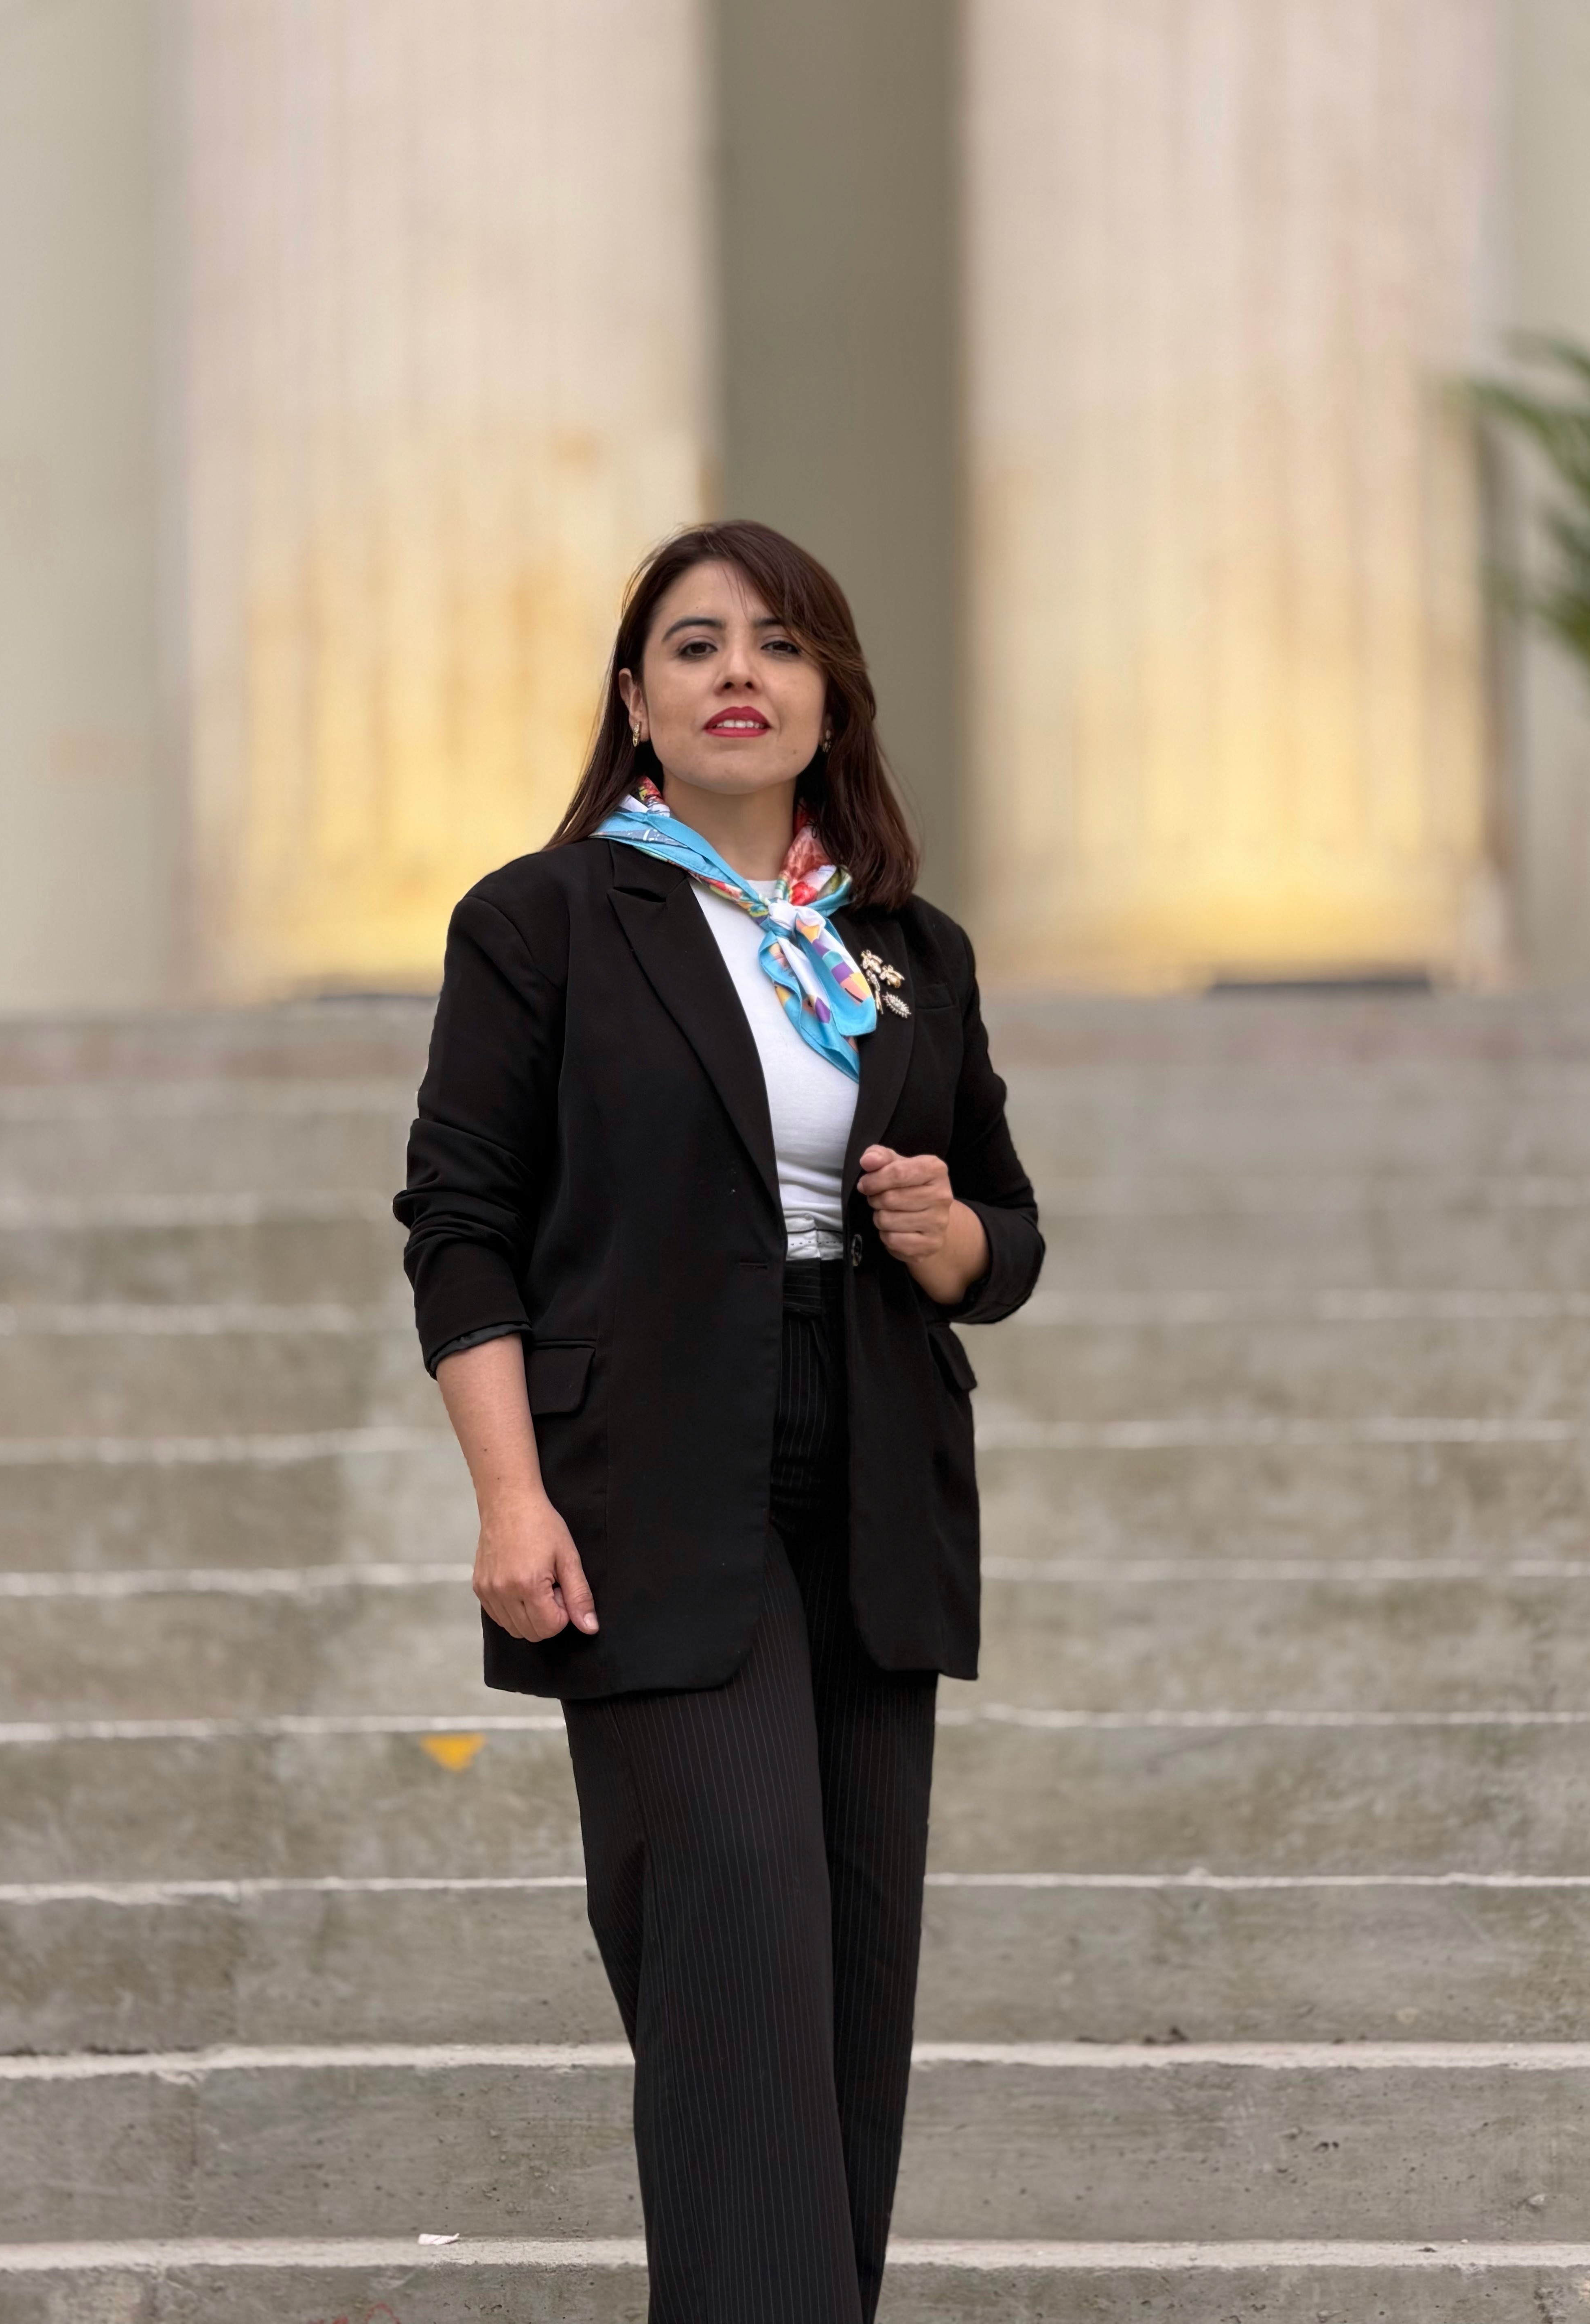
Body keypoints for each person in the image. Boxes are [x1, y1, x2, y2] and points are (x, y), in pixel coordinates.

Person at [394, 519, 1044, 2323]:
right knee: (734, 1933)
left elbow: (1010, 1234)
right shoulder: (545, 921)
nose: (737, 672)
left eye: (778, 643)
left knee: (850, 1979)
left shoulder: (906, 945)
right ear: (637, 702)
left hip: (875, 1466)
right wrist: (507, 1499)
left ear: (832, 698)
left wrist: (949, 1234)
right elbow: (460, 1226)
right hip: (648, 1479)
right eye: (692, 646)